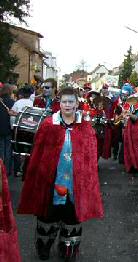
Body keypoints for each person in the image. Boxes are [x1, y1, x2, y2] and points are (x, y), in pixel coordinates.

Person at [18, 88, 104, 260]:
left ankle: (68, 250)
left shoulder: (86, 128)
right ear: (60, 103)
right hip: (50, 180)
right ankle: (44, 247)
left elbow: (90, 158)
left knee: (71, 217)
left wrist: (87, 180)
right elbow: (38, 154)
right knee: (48, 216)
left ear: (76, 104)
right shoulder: (49, 125)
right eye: (64, 101)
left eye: (70, 101)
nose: (67, 105)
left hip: (75, 183)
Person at [0, 83, 15, 174]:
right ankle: (7, 171)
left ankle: (1, 170)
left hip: (0, 128)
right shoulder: (12, 102)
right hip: (9, 128)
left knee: (1, 150)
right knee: (8, 150)